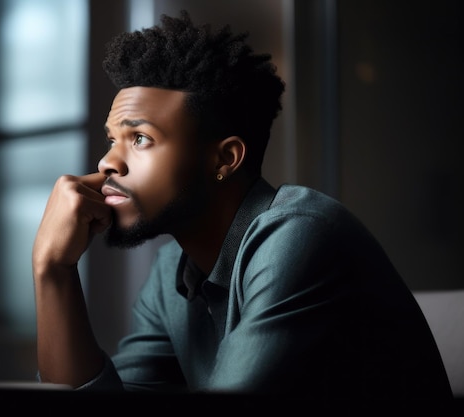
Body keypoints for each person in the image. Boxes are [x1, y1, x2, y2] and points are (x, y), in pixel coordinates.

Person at [31, 11, 452, 399]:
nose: (107, 162)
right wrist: (53, 271)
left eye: (140, 138)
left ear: (225, 159)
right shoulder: (169, 276)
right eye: (111, 139)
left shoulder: (301, 236)